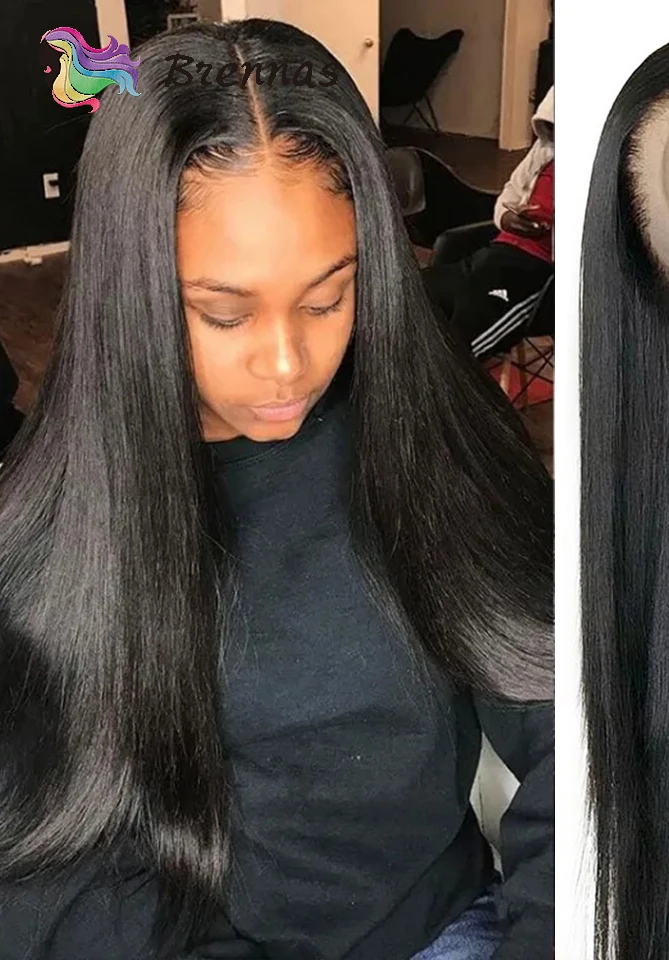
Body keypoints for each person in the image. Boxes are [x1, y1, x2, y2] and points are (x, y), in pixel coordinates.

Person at [0, 18, 553, 960]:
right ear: (130, 290)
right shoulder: (45, 533)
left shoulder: (430, 439)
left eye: (329, 296)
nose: (290, 363)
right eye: (225, 314)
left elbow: (569, 727)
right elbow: (44, 879)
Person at [422, 87, 554, 361]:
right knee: (407, 295)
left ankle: (439, 384)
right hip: (492, 255)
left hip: (535, 276)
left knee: (457, 354)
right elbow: (509, 195)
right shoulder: (545, 150)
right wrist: (509, 219)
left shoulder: (603, 170)